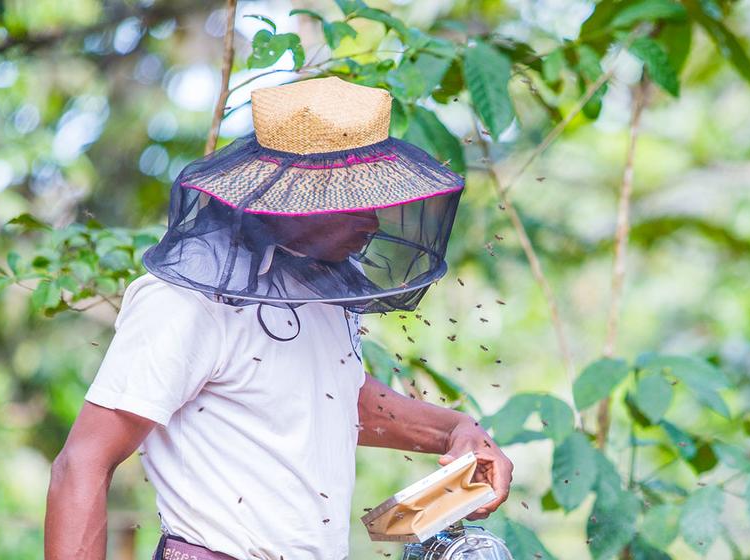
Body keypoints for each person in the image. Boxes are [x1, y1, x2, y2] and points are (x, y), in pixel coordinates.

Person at [44, 77, 512, 560]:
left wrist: (455, 430)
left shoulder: (324, 285)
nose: (372, 221)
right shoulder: (185, 298)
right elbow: (82, 463)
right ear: (293, 192)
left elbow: (331, 392)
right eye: (354, 200)